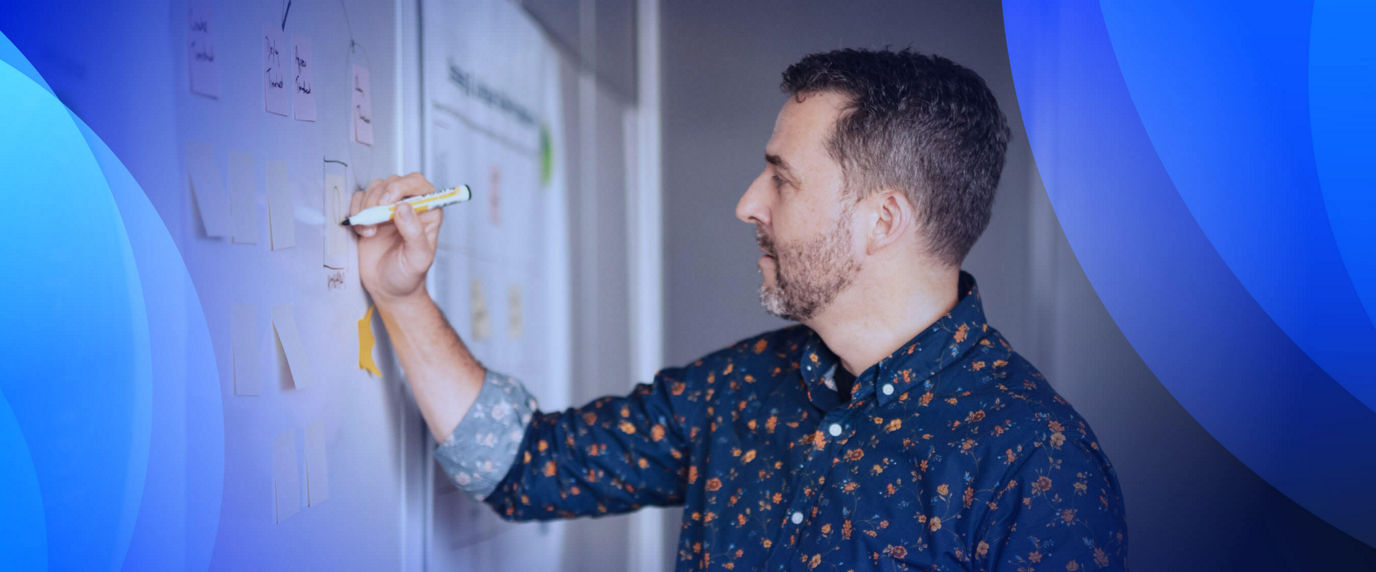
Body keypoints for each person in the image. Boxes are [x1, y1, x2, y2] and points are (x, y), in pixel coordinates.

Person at [347, 48, 1127, 570]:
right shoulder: (740, 389)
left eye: (781, 179)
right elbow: (522, 466)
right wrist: (400, 294)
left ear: (881, 221)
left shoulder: (1037, 464)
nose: (747, 204)